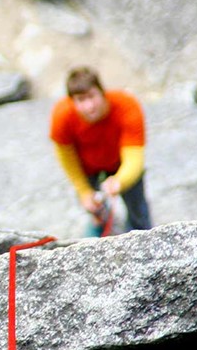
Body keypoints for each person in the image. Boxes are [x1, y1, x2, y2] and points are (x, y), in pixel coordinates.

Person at [50, 66, 152, 237]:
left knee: (137, 210)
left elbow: (134, 157)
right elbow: (67, 157)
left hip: (121, 163)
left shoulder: (127, 106)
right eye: (81, 100)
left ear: (102, 92)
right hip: (87, 167)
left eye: (91, 96)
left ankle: (142, 233)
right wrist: (83, 191)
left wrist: (120, 181)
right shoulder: (62, 117)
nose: (89, 106)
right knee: (93, 208)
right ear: (71, 102)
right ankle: (98, 227)